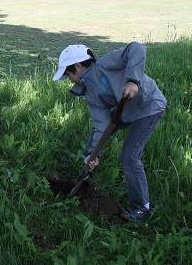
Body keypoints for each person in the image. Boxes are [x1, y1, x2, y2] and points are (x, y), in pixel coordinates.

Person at [53, 42, 166, 223]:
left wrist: (132, 80)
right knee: (94, 140)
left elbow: (137, 48)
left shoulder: (106, 63)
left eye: (68, 73)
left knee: (130, 156)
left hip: (148, 107)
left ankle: (142, 207)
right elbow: (102, 125)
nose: (68, 78)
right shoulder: (90, 92)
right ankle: (88, 165)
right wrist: (94, 154)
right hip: (126, 110)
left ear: (79, 66)